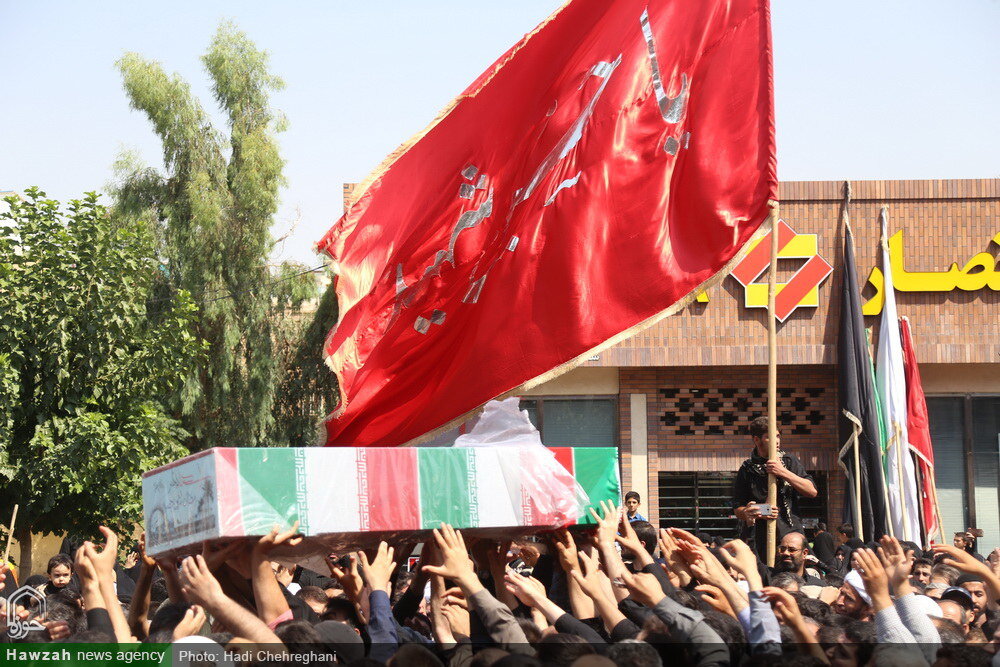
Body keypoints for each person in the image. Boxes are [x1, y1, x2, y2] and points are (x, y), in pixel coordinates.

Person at [732, 416, 817, 558]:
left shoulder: (788, 461)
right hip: (761, 538)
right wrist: (754, 511)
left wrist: (782, 472)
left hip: (790, 533)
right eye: (770, 437)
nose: (776, 441)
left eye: (778, 436)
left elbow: (811, 491)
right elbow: (737, 509)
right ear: (756, 440)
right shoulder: (747, 469)